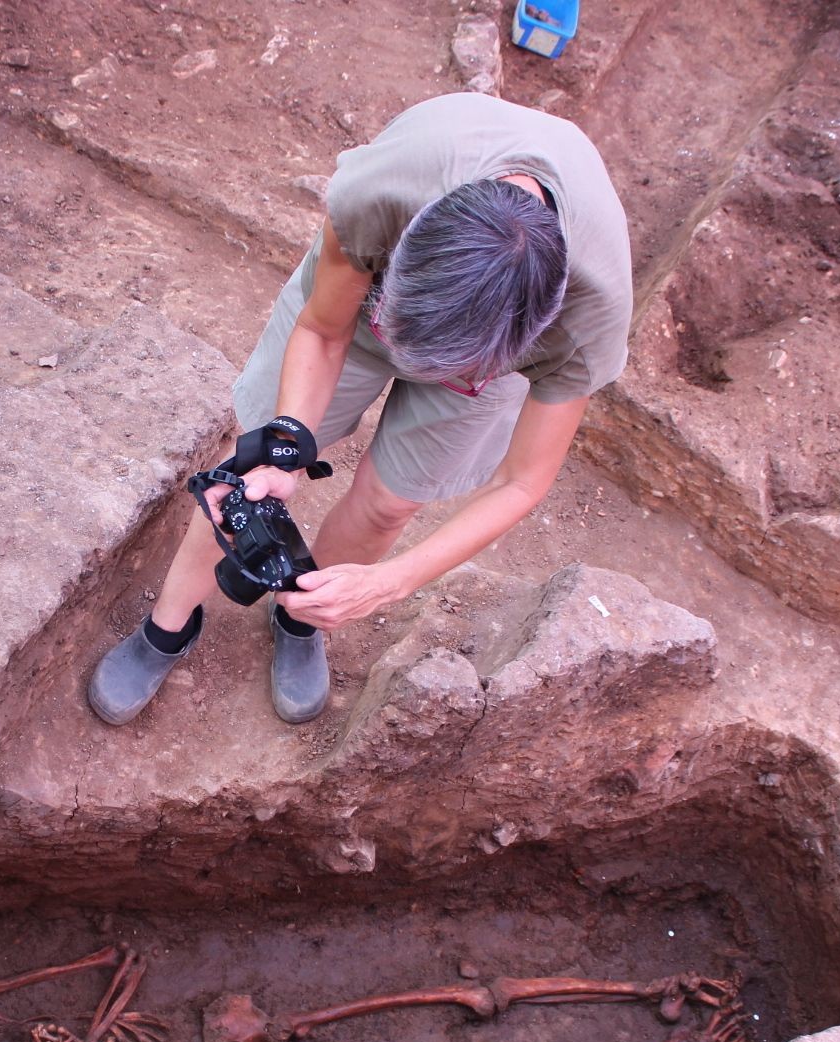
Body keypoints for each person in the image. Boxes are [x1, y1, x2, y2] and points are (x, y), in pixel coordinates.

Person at [88, 93, 632, 726]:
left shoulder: (589, 320)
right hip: (371, 310)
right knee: (245, 481)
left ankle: (301, 616)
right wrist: (286, 444)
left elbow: (523, 481)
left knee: (391, 504)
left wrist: (392, 581)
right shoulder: (386, 193)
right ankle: (169, 626)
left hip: (488, 349)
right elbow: (323, 331)